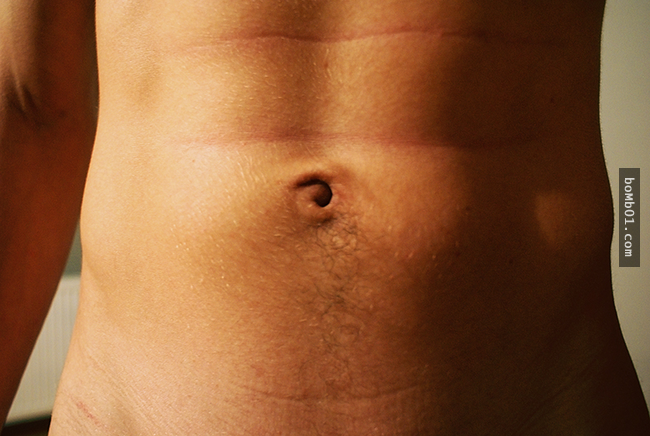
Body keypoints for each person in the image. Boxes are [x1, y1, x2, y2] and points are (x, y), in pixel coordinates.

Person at [1, 0, 649, 434]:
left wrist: (633, 229)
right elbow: (30, 103)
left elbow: (31, 107)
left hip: (537, 400)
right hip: (139, 411)